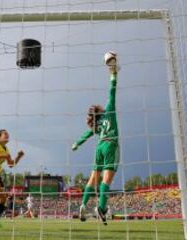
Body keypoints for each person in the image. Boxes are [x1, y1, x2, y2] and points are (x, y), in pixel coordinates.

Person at [72, 51, 120, 225]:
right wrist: (113, 73)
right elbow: (112, 91)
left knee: (93, 179)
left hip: (99, 148)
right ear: (100, 110)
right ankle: (101, 208)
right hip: (110, 145)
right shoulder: (109, 110)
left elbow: (87, 134)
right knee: (106, 180)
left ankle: (84, 204)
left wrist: (77, 143)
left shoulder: (95, 125)